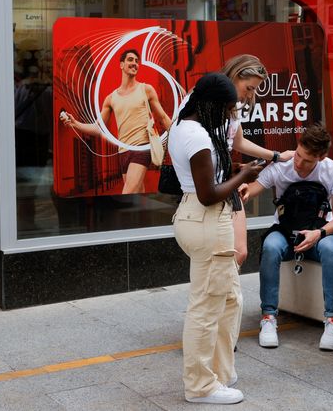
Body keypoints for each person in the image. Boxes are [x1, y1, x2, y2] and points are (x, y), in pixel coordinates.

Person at [168, 73, 262, 405]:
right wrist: (244, 175)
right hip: (207, 218)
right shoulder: (197, 137)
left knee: (230, 298)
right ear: (210, 105)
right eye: (226, 109)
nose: (228, 116)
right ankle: (200, 386)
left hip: (197, 217)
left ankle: (222, 370)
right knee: (206, 308)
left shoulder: (186, 125)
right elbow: (209, 194)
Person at [245, 124, 333, 350]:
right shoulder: (282, 166)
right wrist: (239, 188)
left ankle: (332, 320)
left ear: (321, 157)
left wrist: (318, 234)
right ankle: (268, 317)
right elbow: (251, 190)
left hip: (319, 232)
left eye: (307, 161)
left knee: (331, 250)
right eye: (298, 155)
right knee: (270, 247)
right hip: (284, 230)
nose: (299, 163)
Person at [61, 49, 172, 193]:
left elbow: (163, 117)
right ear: (121, 65)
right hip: (123, 151)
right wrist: (74, 123)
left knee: (128, 192)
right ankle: (143, 215)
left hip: (141, 147)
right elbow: (98, 128)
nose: (134, 64)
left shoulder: (146, 89)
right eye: (130, 60)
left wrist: (179, 134)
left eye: (137, 61)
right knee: (137, 193)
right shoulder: (111, 98)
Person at [220, 55, 295, 267]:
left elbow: (239, 142)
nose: (250, 95)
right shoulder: (208, 104)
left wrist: (276, 156)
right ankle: (221, 298)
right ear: (235, 76)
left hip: (228, 181)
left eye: (254, 90)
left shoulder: (231, 108)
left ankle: (226, 297)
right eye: (249, 88)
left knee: (240, 252)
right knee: (224, 253)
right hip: (212, 184)